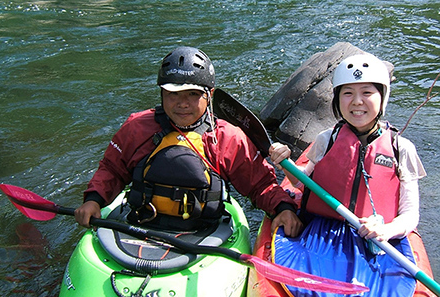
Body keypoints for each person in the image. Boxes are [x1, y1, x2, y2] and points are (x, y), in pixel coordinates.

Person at [75, 46, 302, 237]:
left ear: (209, 95)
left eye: (193, 94)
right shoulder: (137, 127)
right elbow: (112, 170)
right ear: (161, 93)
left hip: (204, 232)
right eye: (173, 93)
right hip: (141, 225)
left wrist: (282, 208)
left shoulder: (227, 137)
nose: (182, 103)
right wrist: (94, 200)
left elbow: (260, 185)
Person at [269, 52, 426, 243]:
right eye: (348, 93)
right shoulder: (326, 140)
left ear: (382, 97)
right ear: (337, 99)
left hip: (375, 238)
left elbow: (410, 214)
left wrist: (387, 230)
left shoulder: (401, 149)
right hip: (321, 230)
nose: (357, 101)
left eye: (367, 93)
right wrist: (285, 163)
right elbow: (302, 184)